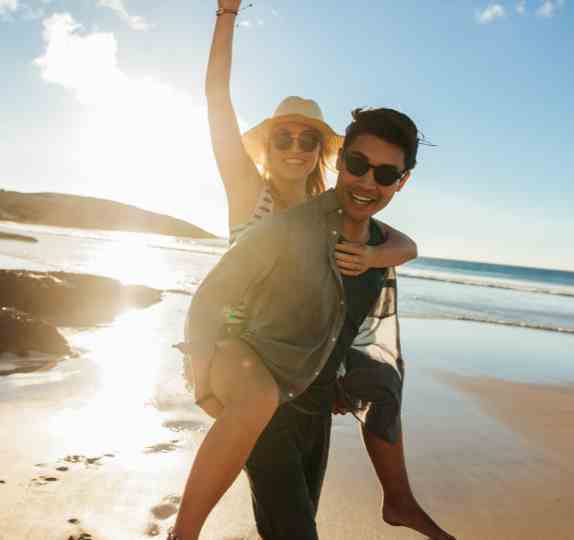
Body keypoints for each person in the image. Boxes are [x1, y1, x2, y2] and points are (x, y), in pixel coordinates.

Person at [170, 3, 453, 539]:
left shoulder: (334, 208)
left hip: (309, 366)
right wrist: (227, 13)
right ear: (268, 145)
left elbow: (398, 243)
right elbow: (216, 101)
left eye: (308, 139)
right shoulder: (249, 191)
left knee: (375, 385)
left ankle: (398, 495)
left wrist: (377, 257)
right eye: (284, 137)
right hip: (248, 354)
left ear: (324, 150)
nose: (295, 148)